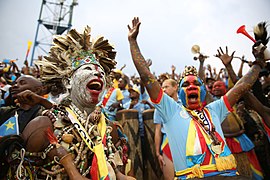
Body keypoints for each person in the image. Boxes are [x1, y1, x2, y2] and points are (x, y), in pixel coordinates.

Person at [127, 17, 267, 179]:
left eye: (196, 84)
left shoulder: (215, 108)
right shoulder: (171, 110)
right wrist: (133, 42)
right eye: (185, 85)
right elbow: (146, 76)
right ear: (178, 93)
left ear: (203, 91)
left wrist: (258, 63)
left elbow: (241, 87)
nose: (192, 86)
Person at [1, 26, 134, 180]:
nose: (97, 73)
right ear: (68, 81)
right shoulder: (43, 126)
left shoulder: (110, 130)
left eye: (101, 72)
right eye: (88, 69)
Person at [154, 78, 178, 180]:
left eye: (166, 87)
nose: (163, 90)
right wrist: (157, 153)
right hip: (168, 144)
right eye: (162, 87)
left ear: (175, 87)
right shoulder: (159, 108)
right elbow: (158, 131)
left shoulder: (184, 104)